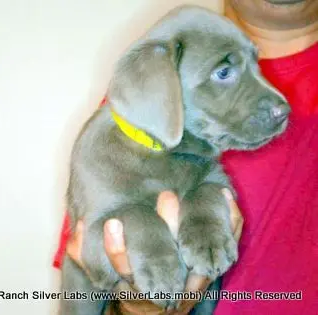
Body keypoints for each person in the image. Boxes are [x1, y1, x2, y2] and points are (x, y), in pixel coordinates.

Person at [53, 0, 318, 313]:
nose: (278, 106)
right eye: (223, 72)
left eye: (251, 65)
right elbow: (89, 262)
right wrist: (138, 307)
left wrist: (205, 207)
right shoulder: (130, 118)